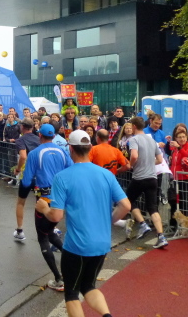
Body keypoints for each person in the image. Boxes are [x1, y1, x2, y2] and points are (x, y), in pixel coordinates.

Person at [36, 129, 130, 317]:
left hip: (76, 246)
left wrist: (43, 208)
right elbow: (125, 205)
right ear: (90, 148)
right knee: (88, 286)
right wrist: (108, 221)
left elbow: (56, 216)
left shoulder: (62, 177)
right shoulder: (106, 174)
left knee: (71, 293)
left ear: (70, 149)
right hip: (102, 243)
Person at [21, 123, 73, 291]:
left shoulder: (35, 153)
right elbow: (72, 171)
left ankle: (59, 279)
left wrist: (24, 191)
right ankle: (71, 260)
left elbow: (26, 181)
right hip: (61, 199)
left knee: (42, 236)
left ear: (40, 136)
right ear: (53, 135)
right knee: (49, 232)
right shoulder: (63, 151)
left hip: (44, 200)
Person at [123, 117, 168, 249]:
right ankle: (161, 236)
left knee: (128, 201)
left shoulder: (134, 139)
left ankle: (143, 224)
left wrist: (131, 165)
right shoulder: (152, 140)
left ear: (134, 126)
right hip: (152, 178)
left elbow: (134, 156)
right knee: (152, 207)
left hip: (139, 177)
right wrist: (148, 163)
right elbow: (160, 159)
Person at [13, 118, 41, 240]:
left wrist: (18, 169)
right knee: (41, 201)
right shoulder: (39, 139)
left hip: (27, 175)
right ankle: (50, 229)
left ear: (22, 127)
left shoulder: (20, 140)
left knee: (21, 202)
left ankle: (20, 230)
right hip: (40, 175)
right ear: (33, 127)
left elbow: (23, 156)